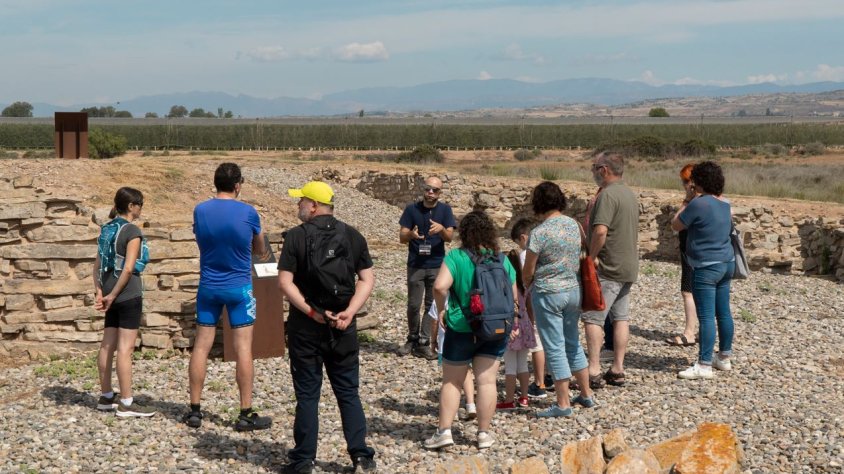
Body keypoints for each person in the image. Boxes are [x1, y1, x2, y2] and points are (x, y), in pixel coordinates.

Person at [278, 181, 376, 473]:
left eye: (301, 201)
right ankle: (361, 457)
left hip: (306, 326)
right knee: (348, 391)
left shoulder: (296, 237)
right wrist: (348, 313)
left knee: (308, 394)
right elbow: (367, 279)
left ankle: (304, 460)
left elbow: (284, 282)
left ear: (313, 206)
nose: (298, 206)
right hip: (343, 326)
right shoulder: (353, 235)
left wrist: (310, 311)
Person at [184, 163, 272, 431]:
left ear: (215, 183)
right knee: (244, 348)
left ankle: (195, 410)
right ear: (237, 185)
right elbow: (259, 249)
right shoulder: (248, 212)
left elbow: (200, 239)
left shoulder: (200, 210)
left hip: (209, 285)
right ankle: (245, 413)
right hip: (238, 287)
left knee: (201, 346)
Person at [424, 210, 516, 450]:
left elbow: (439, 286)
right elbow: (513, 295)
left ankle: (444, 432)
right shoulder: (502, 259)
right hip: (495, 327)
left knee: (452, 382)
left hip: (462, 326)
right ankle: (483, 434)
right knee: (487, 382)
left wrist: (442, 310)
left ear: (464, 233)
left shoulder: (456, 257)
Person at [522, 182, 595, 418]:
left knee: (554, 347)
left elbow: (528, 269)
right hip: (574, 290)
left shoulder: (540, 232)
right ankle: (586, 394)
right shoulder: (574, 226)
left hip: (548, 292)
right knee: (573, 342)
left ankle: (563, 404)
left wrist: (525, 284)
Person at [94, 187, 156, 417]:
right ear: (131, 206)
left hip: (109, 290)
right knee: (125, 349)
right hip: (127, 294)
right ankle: (127, 403)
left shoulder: (106, 229)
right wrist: (113, 295)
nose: (141, 209)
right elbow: (129, 268)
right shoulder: (132, 230)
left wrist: (100, 291)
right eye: (139, 205)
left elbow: (97, 264)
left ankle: (106, 396)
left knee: (107, 344)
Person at [671, 161, 735, 379]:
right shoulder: (726, 203)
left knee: (706, 316)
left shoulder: (699, 204)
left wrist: (688, 199)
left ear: (698, 182)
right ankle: (724, 357)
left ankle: (704, 364)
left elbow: (676, 224)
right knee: (723, 312)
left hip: (705, 266)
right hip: (726, 263)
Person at [582, 151, 639, 388]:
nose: (593, 172)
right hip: (628, 265)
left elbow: (601, 231)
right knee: (621, 318)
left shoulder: (607, 196)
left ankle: (593, 369)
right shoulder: (629, 194)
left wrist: (591, 257)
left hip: (608, 266)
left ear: (604, 170)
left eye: (594, 167)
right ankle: (617, 368)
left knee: (593, 318)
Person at [398, 176, 457, 360]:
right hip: (416, 263)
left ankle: (424, 342)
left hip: (437, 264)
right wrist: (411, 234)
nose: (431, 192)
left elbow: (449, 238)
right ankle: (412, 338)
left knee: (431, 305)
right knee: (413, 304)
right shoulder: (411, 209)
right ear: (423, 189)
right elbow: (401, 237)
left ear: (440, 193)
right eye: (428, 189)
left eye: (435, 190)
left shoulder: (445, 210)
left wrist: (441, 229)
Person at [510, 218, 551, 400]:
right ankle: (550, 377)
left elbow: (524, 281)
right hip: (551, 297)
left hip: (533, 302)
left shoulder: (526, 255)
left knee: (537, 346)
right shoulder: (546, 248)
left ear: (523, 237)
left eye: (518, 242)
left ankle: (539, 383)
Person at [495, 250, 536, 411]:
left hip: (511, 326)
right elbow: (530, 306)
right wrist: (531, 324)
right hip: (525, 325)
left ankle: (509, 399)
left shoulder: (504, 288)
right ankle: (524, 397)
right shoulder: (524, 285)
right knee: (523, 364)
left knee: (510, 366)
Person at [667, 164, 699, 347]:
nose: (684, 185)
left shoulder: (693, 204)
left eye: (685, 181)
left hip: (691, 252)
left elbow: (676, 222)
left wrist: (686, 201)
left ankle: (689, 332)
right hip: (703, 253)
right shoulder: (713, 201)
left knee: (688, 292)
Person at [428, 299, 476, 420]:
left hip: (446, 345)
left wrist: (433, 341)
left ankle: (452, 411)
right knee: (468, 373)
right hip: (466, 340)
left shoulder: (438, 300)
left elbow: (434, 322)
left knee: (450, 380)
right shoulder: (466, 295)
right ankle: (471, 404)